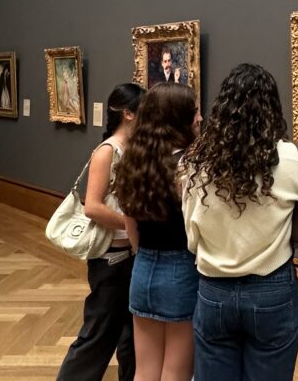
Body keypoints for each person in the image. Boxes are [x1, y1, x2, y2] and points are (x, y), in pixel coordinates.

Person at [181, 63, 298, 381]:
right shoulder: (292, 157)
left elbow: (191, 237)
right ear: (272, 108)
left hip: (215, 289)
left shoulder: (196, 162)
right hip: (272, 288)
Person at [57, 83, 145, 381]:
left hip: (130, 254)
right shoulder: (107, 151)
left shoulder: (134, 149)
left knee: (131, 335)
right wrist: (131, 224)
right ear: (128, 114)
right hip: (110, 258)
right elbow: (92, 207)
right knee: (98, 334)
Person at [114, 82, 202, 381]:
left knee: (145, 370)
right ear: (177, 118)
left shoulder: (132, 160)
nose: (200, 119)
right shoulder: (187, 166)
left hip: (142, 268)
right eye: (194, 112)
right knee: (176, 372)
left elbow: (130, 227)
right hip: (181, 270)